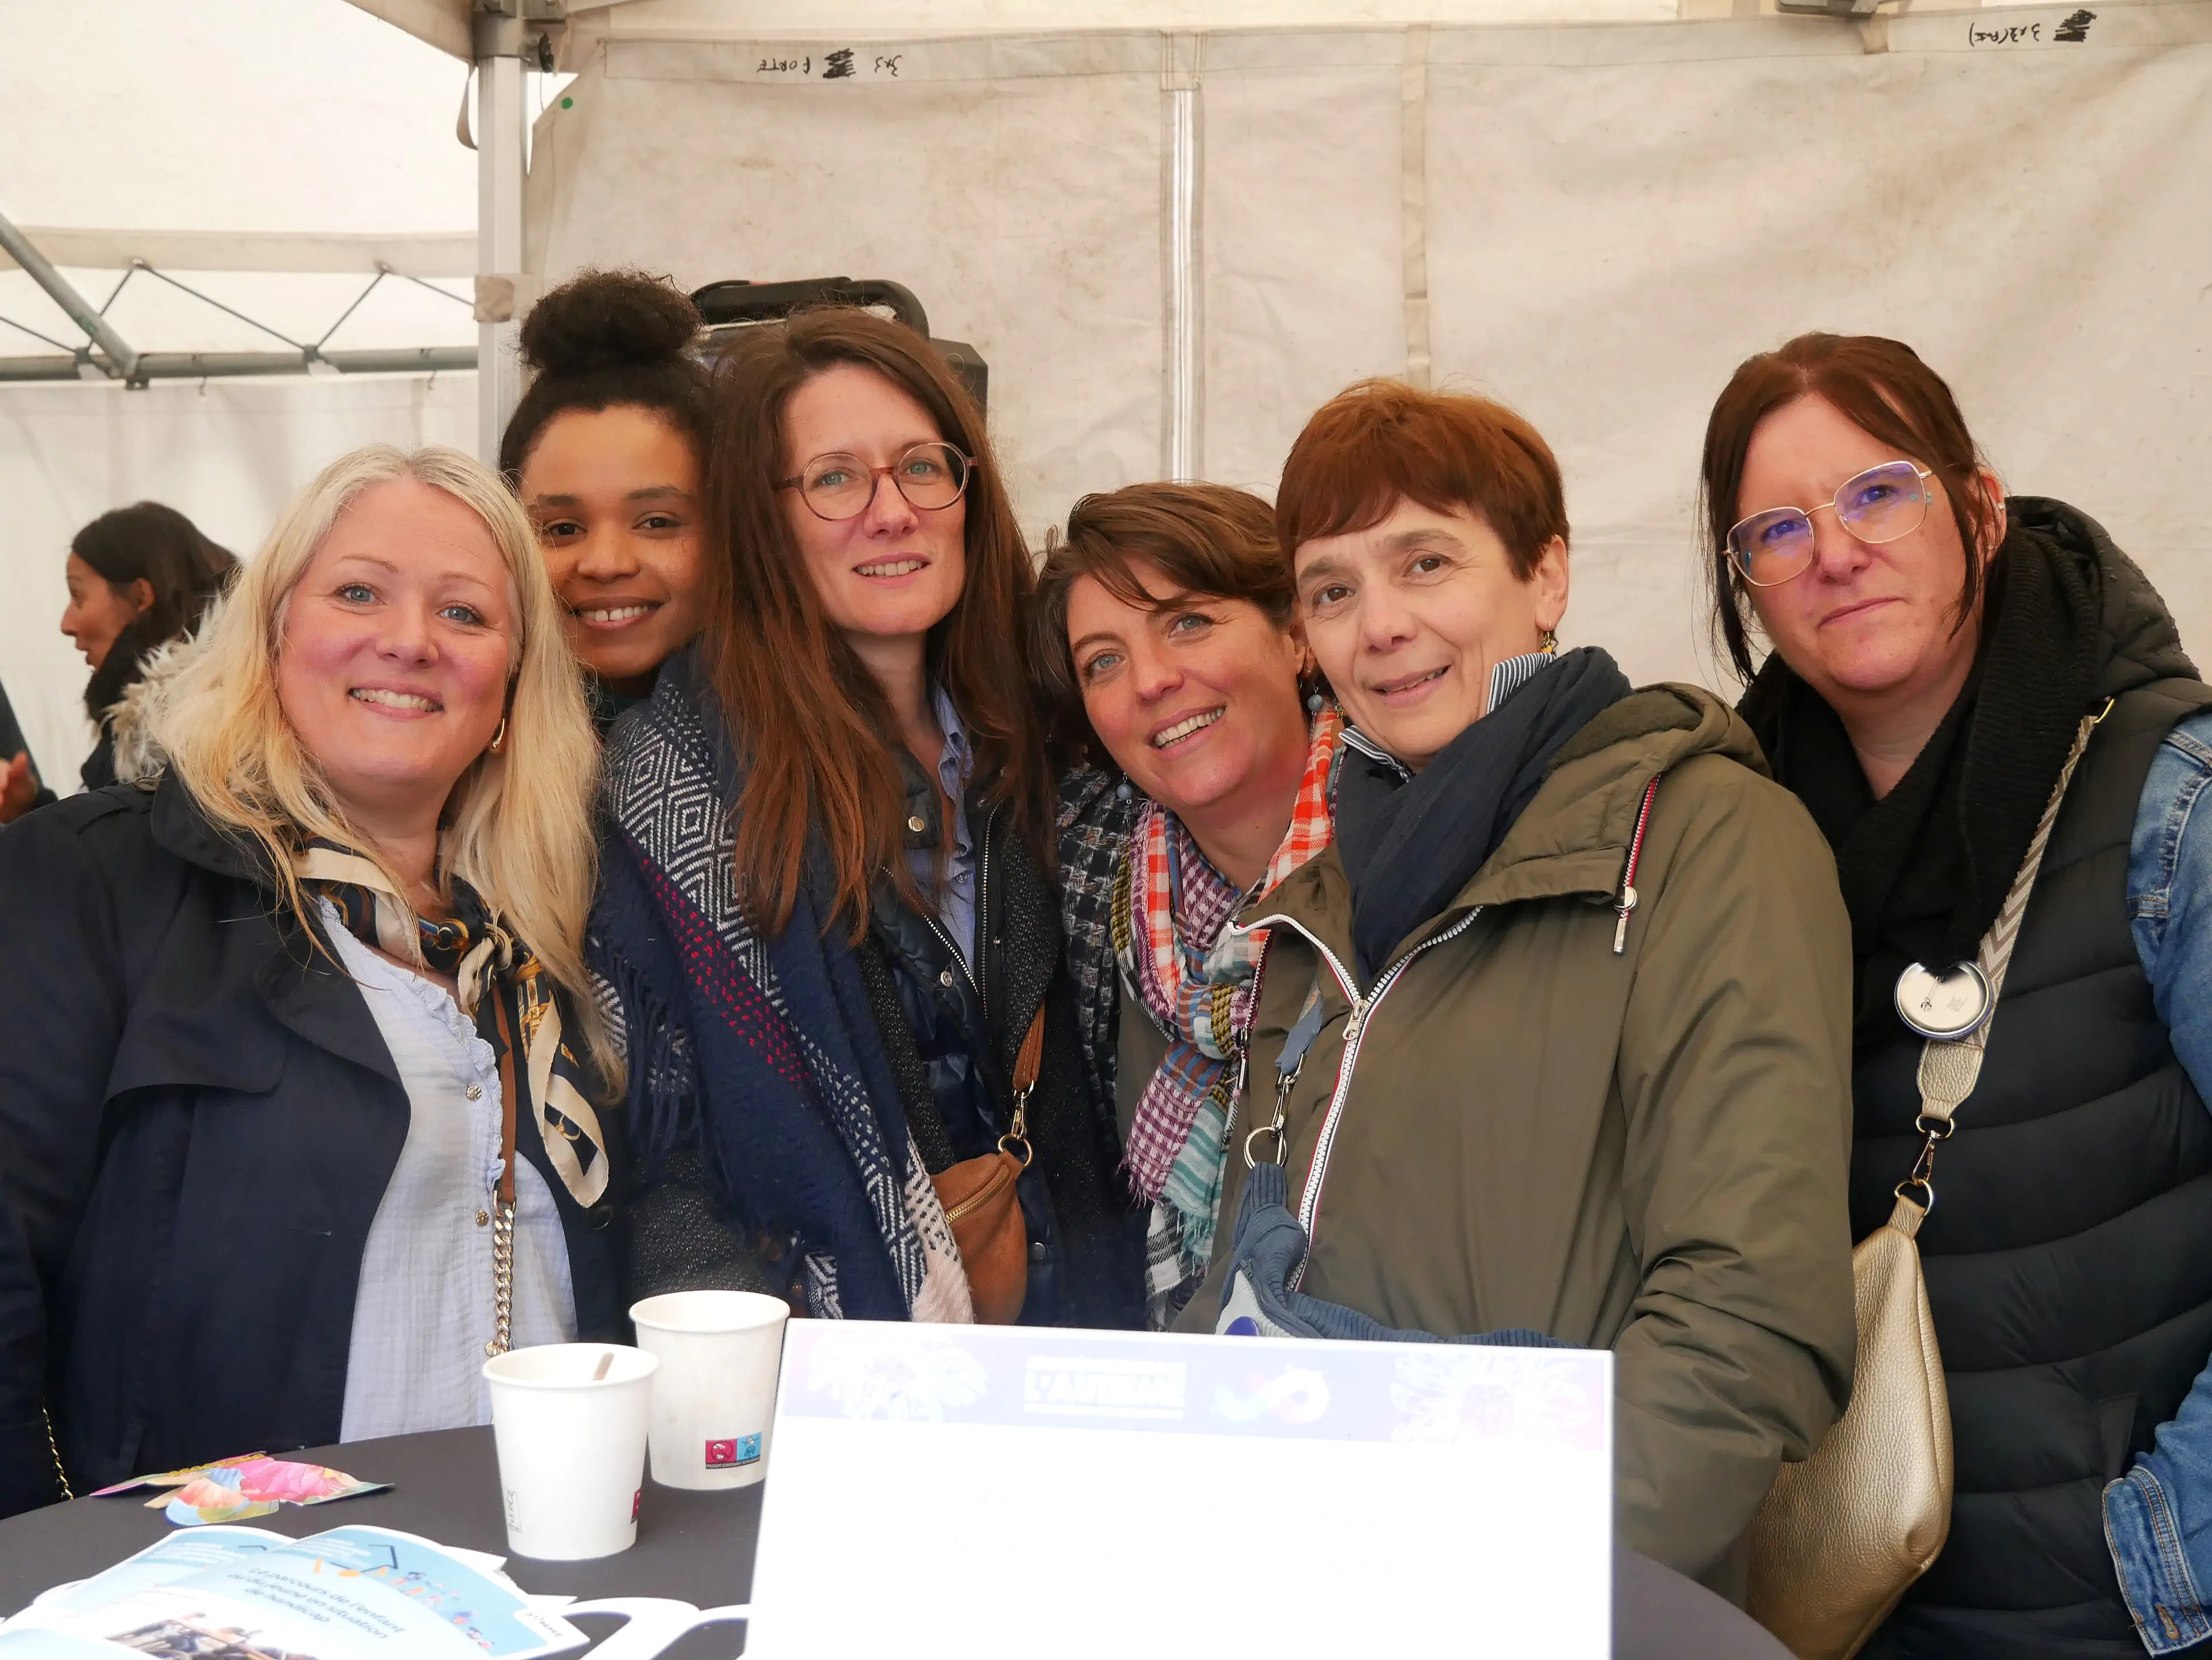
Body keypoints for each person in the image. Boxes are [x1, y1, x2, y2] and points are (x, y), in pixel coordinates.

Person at [1186, 378, 1857, 1598]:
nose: (1378, 625)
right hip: (1305, 1578)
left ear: (1546, 576)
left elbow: (1746, 1318)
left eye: (1426, 562)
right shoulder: (1323, 899)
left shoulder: (1709, 842)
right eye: (1332, 589)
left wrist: (1500, 1580)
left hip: (1537, 1591)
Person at [1702, 332, 2212, 1658]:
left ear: (1980, 506)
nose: (1834, 550)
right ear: (1749, 584)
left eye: (1879, 493)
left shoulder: (2172, 805)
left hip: (2128, 1617)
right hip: (1838, 1605)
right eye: (1776, 527)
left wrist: (2170, 1538)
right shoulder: (1735, 845)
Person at [0, 444, 620, 1520]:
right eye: (358, 591)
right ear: (274, 634)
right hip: (225, 1595)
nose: (411, 639)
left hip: (532, 1575)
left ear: (512, 691)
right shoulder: (94, 881)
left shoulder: (551, 941)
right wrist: (48, 1565)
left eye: (466, 614)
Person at [591, 307, 1141, 1328]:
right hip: (841, 1382)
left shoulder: (1058, 735)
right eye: (835, 478)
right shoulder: (674, 789)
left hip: (1087, 1342)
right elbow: (667, 1168)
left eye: (921, 467)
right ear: (764, 520)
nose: (891, 512)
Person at [1037, 483, 1336, 1329]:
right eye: (1104, 659)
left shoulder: (1424, 851)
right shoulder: (1096, 894)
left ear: (1295, 632)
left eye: (1187, 622)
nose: (1153, 680)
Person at [498, 270, 713, 731]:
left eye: (656, 522)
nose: (605, 563)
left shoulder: (809, 737)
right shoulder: (456, 745)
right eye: (563, 529)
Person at [59, 501, 236, 789]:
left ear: (141, 598)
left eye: (78, 596)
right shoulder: (143, 734)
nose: (66, 625)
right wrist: (31, 806)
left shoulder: (188, 747)